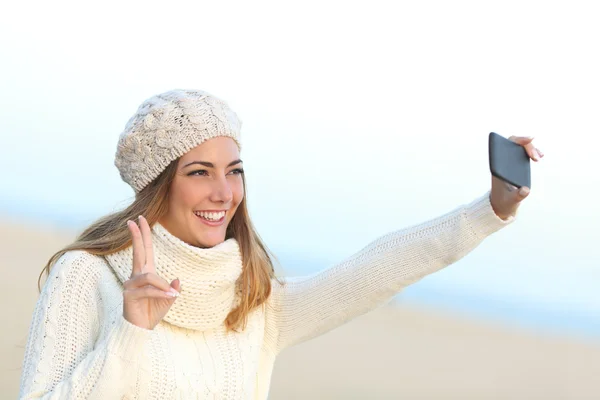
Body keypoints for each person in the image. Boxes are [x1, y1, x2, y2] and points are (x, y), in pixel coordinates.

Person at [18, 89, 544, 399]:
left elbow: (378, 269)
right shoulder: (89, 275)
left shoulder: (252, 300)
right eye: (200, 172)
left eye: (234, 171)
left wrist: (490, 208)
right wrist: (130, 332)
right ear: (158, 183)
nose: (224, 194)